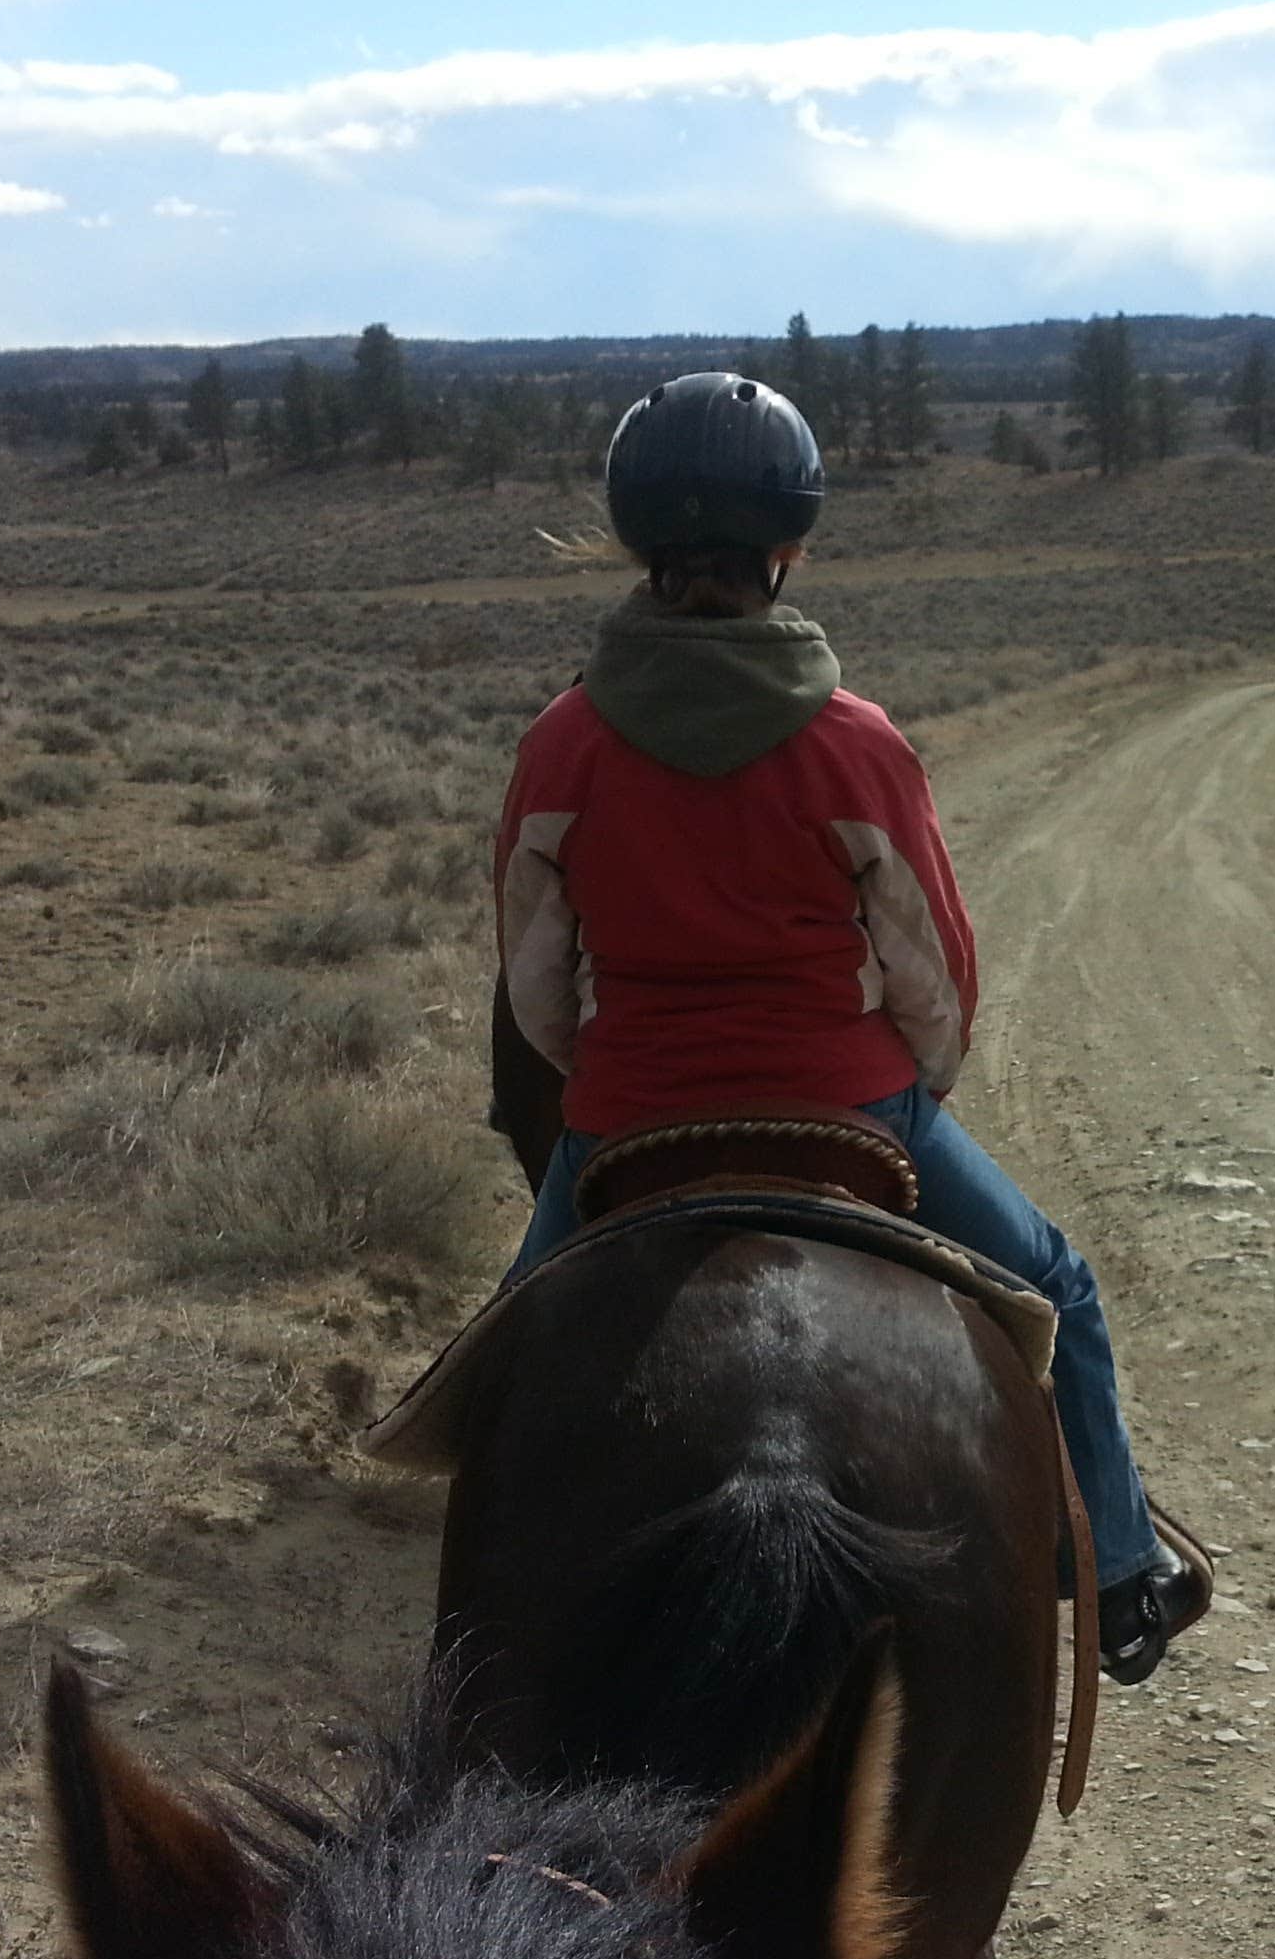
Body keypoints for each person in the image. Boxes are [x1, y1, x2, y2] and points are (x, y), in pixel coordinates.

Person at [491, 371, 1206, 1684]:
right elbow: (931, 964)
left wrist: (595, 1080)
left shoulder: (562, 744)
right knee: (1058, 1288)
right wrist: (914, 1083)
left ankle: (482, 1626)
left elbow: (533, 976)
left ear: (635, 543)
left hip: (624, 1118)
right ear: (794, 545)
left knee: (505, 1364)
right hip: (852, 1106)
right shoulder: (856, 743)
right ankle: (1117, 1579)